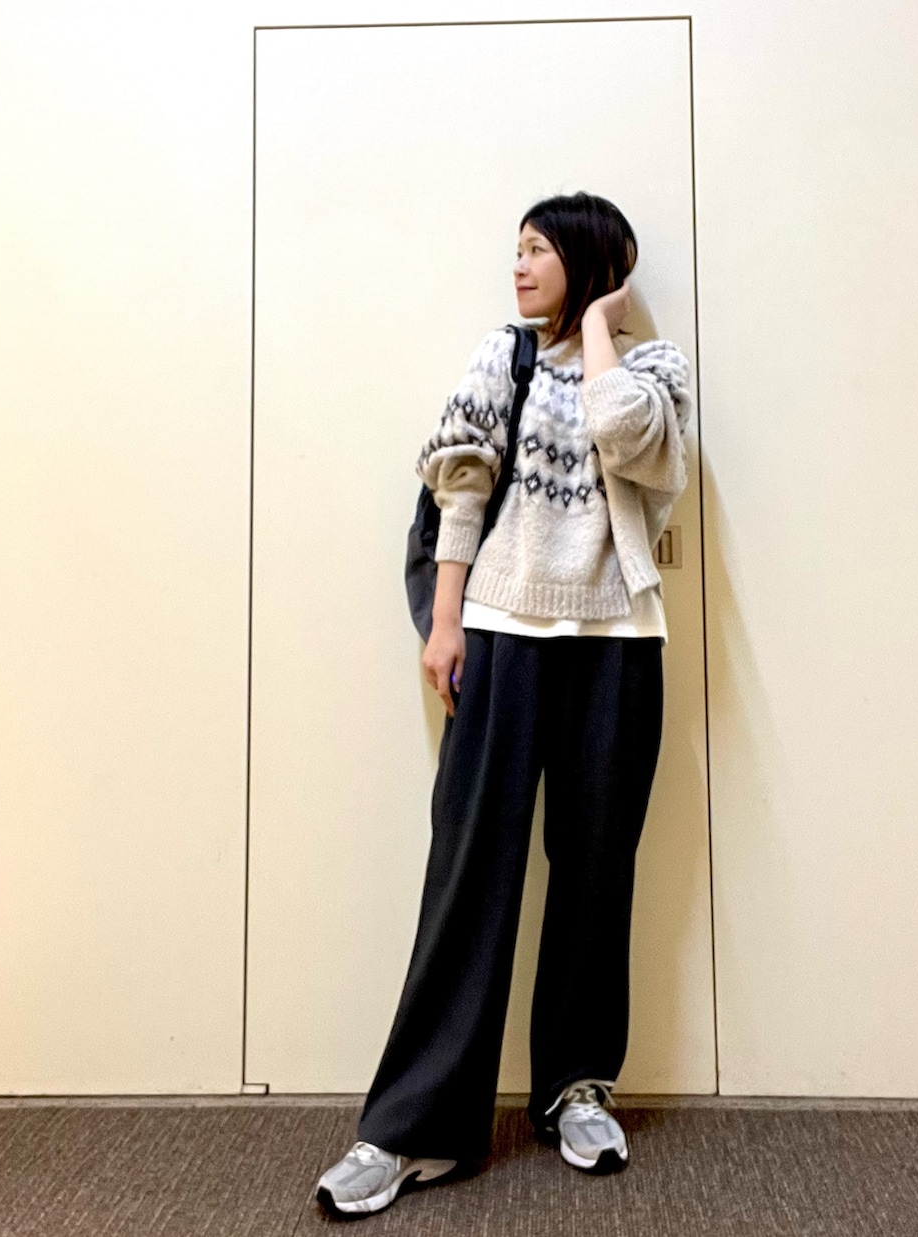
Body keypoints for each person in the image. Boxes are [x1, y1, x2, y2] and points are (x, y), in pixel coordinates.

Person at [316, 191, 693, 1219]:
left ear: (591, 260)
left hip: (617, 643)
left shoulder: (653, 370)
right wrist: (445, 623)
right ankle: (412, 1126)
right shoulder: (502, 353)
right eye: (515, 249)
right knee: (470, 869)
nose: (518, 266)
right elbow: (462, 481)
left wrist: (602, 326)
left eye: (537, 249)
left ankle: (576, 1086)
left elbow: (633, 442)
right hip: (499, 632)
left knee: (597, 867)